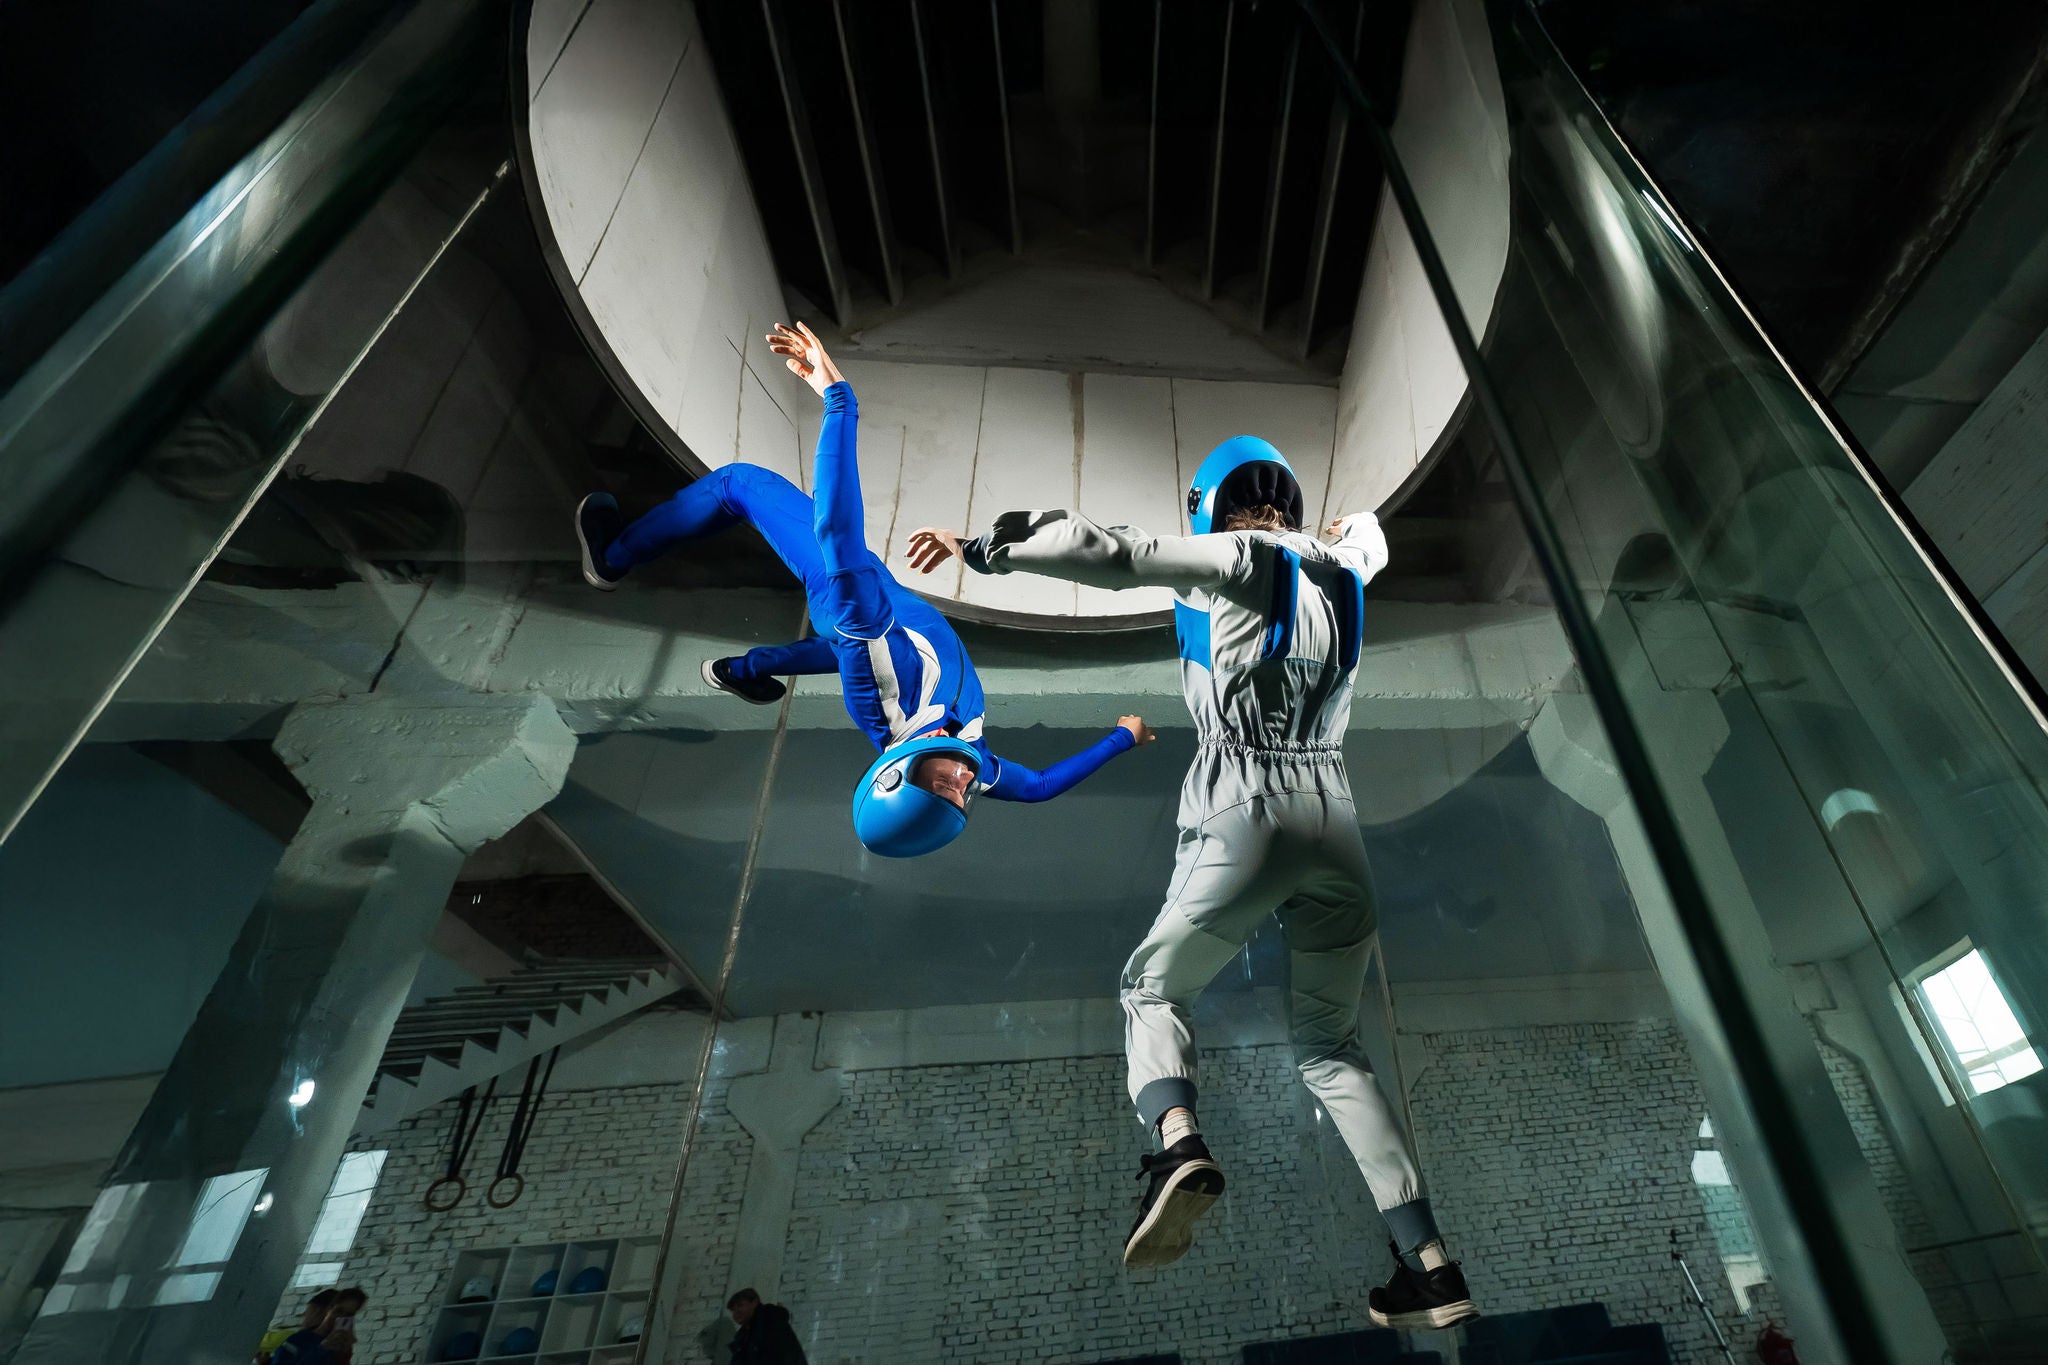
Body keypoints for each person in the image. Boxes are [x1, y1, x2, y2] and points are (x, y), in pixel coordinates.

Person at [905, 436, 1481, 1329]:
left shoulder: (1235, 556)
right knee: (1332, 1048)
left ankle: (1178, 1144)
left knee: (1149, 986)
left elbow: (1115, 553)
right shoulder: (1348, 565)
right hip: (1337, 822)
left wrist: (984, 547)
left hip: (1250, 811)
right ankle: (1432, 1263)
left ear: (1211, 505)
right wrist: (1352, 524)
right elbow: (1371, 535)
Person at [574, 322, 1151, 857]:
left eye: (943, 783)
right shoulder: (973, 760)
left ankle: (611, 558)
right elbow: (1041, 787)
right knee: (846, 647)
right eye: (961, 795)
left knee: (740, 484)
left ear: (896, 771)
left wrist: (838, 399)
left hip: (852, 595)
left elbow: (837, 536)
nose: (965, 780)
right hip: (884, 619)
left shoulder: (890, 682)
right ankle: (742, 671)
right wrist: (1122, 739)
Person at [726, 1288, 807, 1365]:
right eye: (733, 1310)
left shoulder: (770, 1321)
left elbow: (787, 1356)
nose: (736, 1312)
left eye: (740, 1305)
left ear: (754, 1302)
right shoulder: (744, 1334)